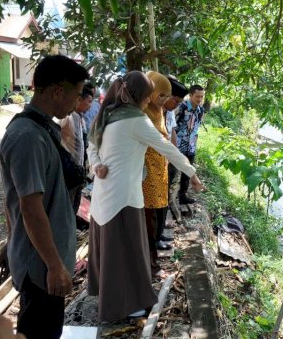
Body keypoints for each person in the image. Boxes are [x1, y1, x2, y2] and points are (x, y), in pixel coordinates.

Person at [86, 71, 204, 322]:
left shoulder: (107, 114)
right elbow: (166, 147)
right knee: (127, 254)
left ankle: (112, 298)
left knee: (112, 253)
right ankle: (123, 307)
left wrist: (96, 165)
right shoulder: (136, 120)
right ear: (143, 96)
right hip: (124, 199)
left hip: (103, 197)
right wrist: (191, 173)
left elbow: (92, 146)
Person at [0, 55, 88, 339]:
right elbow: (30, 207)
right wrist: (54, 266)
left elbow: (12, 197)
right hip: (40, 267)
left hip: (43, 259)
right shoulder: (28, 137)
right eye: (76, 94)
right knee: (40, 331)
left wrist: (10, 238)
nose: (77, 103)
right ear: (57, 91)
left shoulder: (41, 128)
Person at [141, 71, 174, 276]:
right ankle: (148, 266)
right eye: (160, 95)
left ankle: (151, 263)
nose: (164, 101)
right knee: (147, 221)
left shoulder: (158, 112)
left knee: (155, 217)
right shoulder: (141, 113)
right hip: (145, 175)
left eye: (166, 96)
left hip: (159, 170)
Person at [59, 86, 93, 214]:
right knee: (67, 205)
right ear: (79, 100)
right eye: (89, 101)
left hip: (78, 169)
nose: (90, 105)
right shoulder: (67, 118)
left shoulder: (80, 119)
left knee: (75, 204)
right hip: (68, 170)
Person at [175, 84, 205, 205]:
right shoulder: (181, 107)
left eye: (201, 97)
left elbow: (196, 127)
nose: (199, 99)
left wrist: (194, 142)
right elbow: (172, 126)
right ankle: (166, 198)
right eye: (197, 96)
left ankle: (182, 196)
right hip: (177, 145)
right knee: (172, 172)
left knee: (187, 173)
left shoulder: (200, 110)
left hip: (191, 146)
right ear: (191, 95)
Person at [164, 77, 189, 217]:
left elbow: (172, 131)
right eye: (175, 101)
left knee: (166, 191)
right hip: (156, 159)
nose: (176, 105)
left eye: (179, 102)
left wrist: (174, 155)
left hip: (169, 157)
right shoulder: (153, 112)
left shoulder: (169, 112)